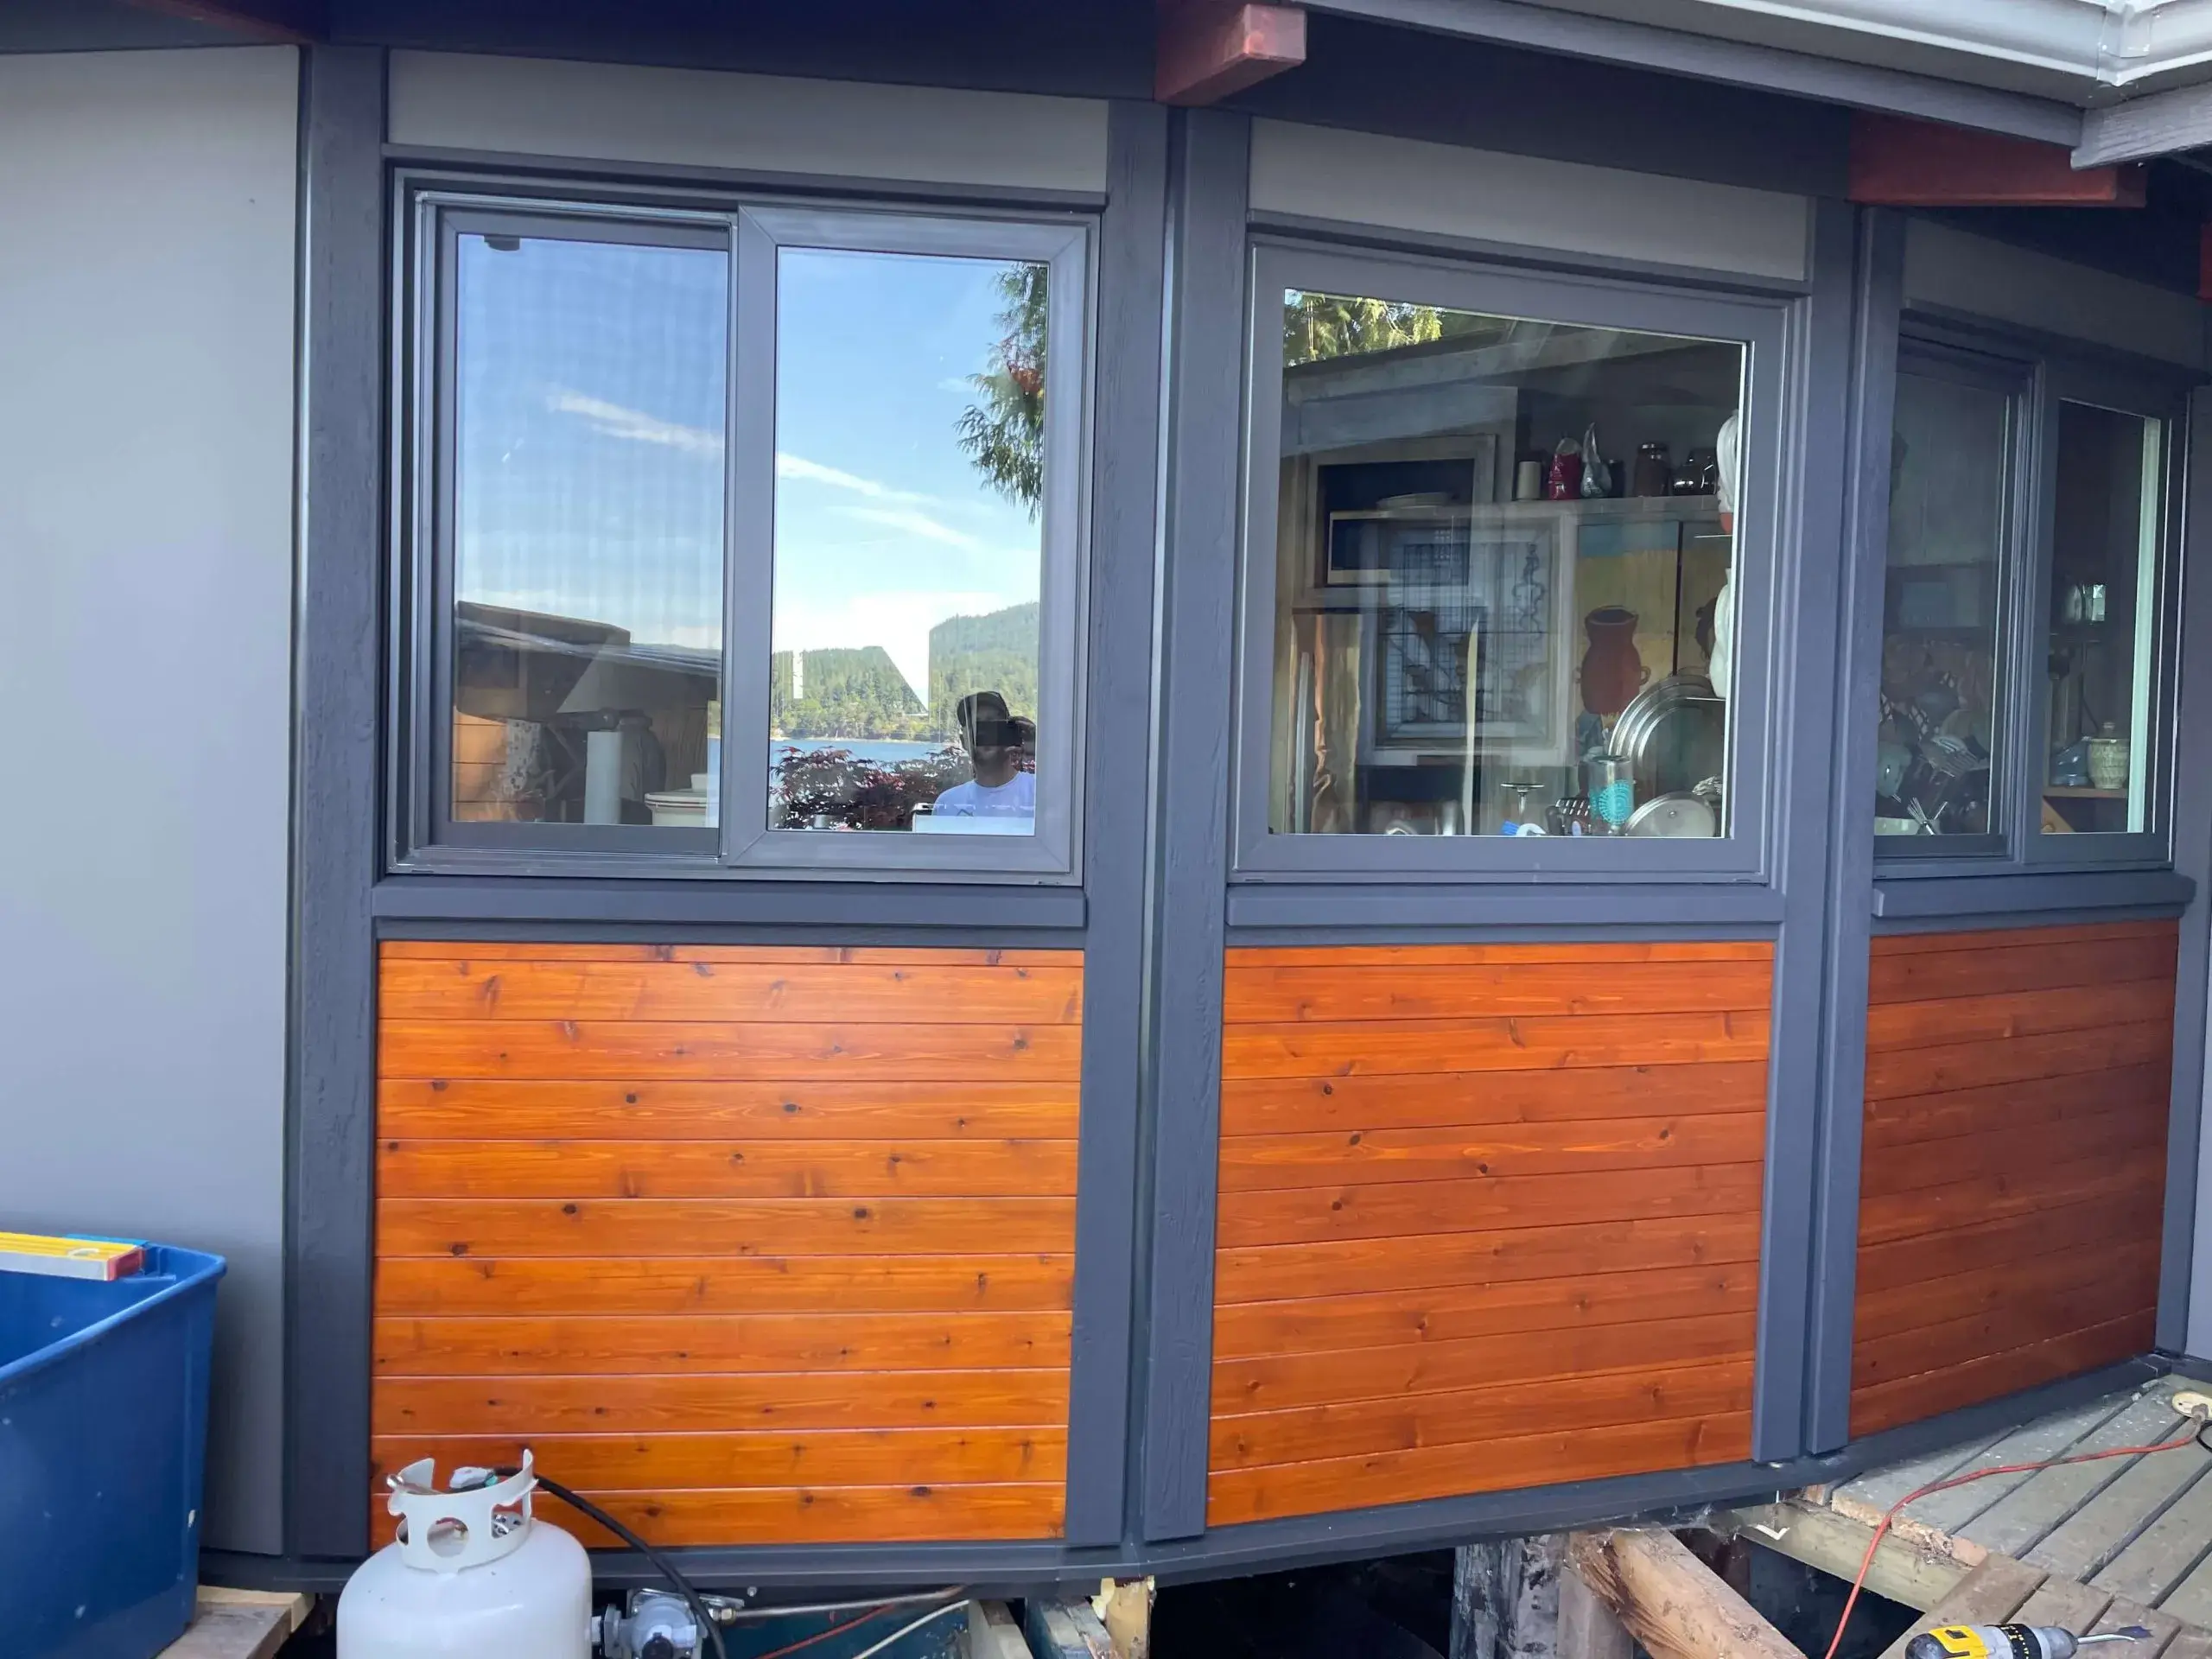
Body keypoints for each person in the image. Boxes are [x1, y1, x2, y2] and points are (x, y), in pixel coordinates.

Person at [931, 690, 1036, 820]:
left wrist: (1040, 750)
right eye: (977, 727)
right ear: (964, 741)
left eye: (992, 725)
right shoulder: (947, 804)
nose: (985, 734)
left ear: (1008, 732)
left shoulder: (1040, 793)